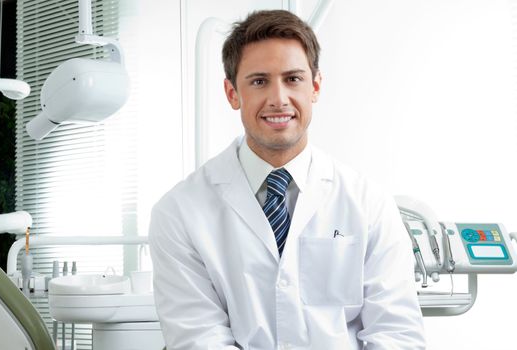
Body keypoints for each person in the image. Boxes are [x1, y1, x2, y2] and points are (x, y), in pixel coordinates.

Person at [149, 9, 425, 350]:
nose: (278, 99)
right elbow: (199, 338)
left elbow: (396, 333)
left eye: (293, 78)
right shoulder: (179, 212)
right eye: (259, 81)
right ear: (232, 93)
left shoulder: (369, 203)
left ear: (316, 86)